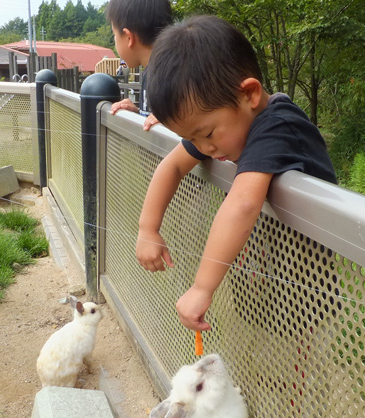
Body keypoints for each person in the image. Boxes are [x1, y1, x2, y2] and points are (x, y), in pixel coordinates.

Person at [136, 15, 338, 331]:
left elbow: (243, 203)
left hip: (304, 300)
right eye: (192, 139)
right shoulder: (223, 123)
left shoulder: (277, 126)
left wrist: (201, 288)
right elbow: (173, 166)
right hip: (262, 287)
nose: (205, 148)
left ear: (249, 94)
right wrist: (148, 228)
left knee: (297, 375)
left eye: (208, 134)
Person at [105, 0, 171, 130]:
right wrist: (137, 115)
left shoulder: (164, 74)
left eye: (114, 35)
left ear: (129, 38)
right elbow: (154, 121)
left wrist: (170, 123)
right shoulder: (155, 70)